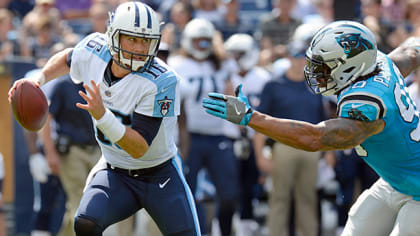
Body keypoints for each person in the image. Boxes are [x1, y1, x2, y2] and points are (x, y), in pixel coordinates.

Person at [202, 20, 420, 236]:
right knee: (358, 225)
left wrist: (252, 118)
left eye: (324, 66)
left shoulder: (367, 104)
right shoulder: (379, 63)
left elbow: (315, 138)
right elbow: (412, 50)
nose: (315, 72)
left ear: (350, 65)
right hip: (396, 180)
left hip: (416, 187)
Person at [8, 2, 200, 236]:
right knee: (86, 223)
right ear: (114, 36)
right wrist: (39, 80)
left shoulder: (163, 80)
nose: (140, 48)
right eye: (132, 39)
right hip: (115, 170)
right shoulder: (94, 48)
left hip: (159, 173)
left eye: (146, 41)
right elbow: (68, 58)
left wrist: (102, 116)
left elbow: (139, 147)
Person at [168, 18, 238, 236]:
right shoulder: (177, 63)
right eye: (197, 41)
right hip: (191, 137)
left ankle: (224, 231)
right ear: (188, 41)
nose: (202, 46)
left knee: (228, 194)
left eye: (206, 41)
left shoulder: (223, 64)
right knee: (187, 193)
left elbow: (233, 93)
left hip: (218, 135)